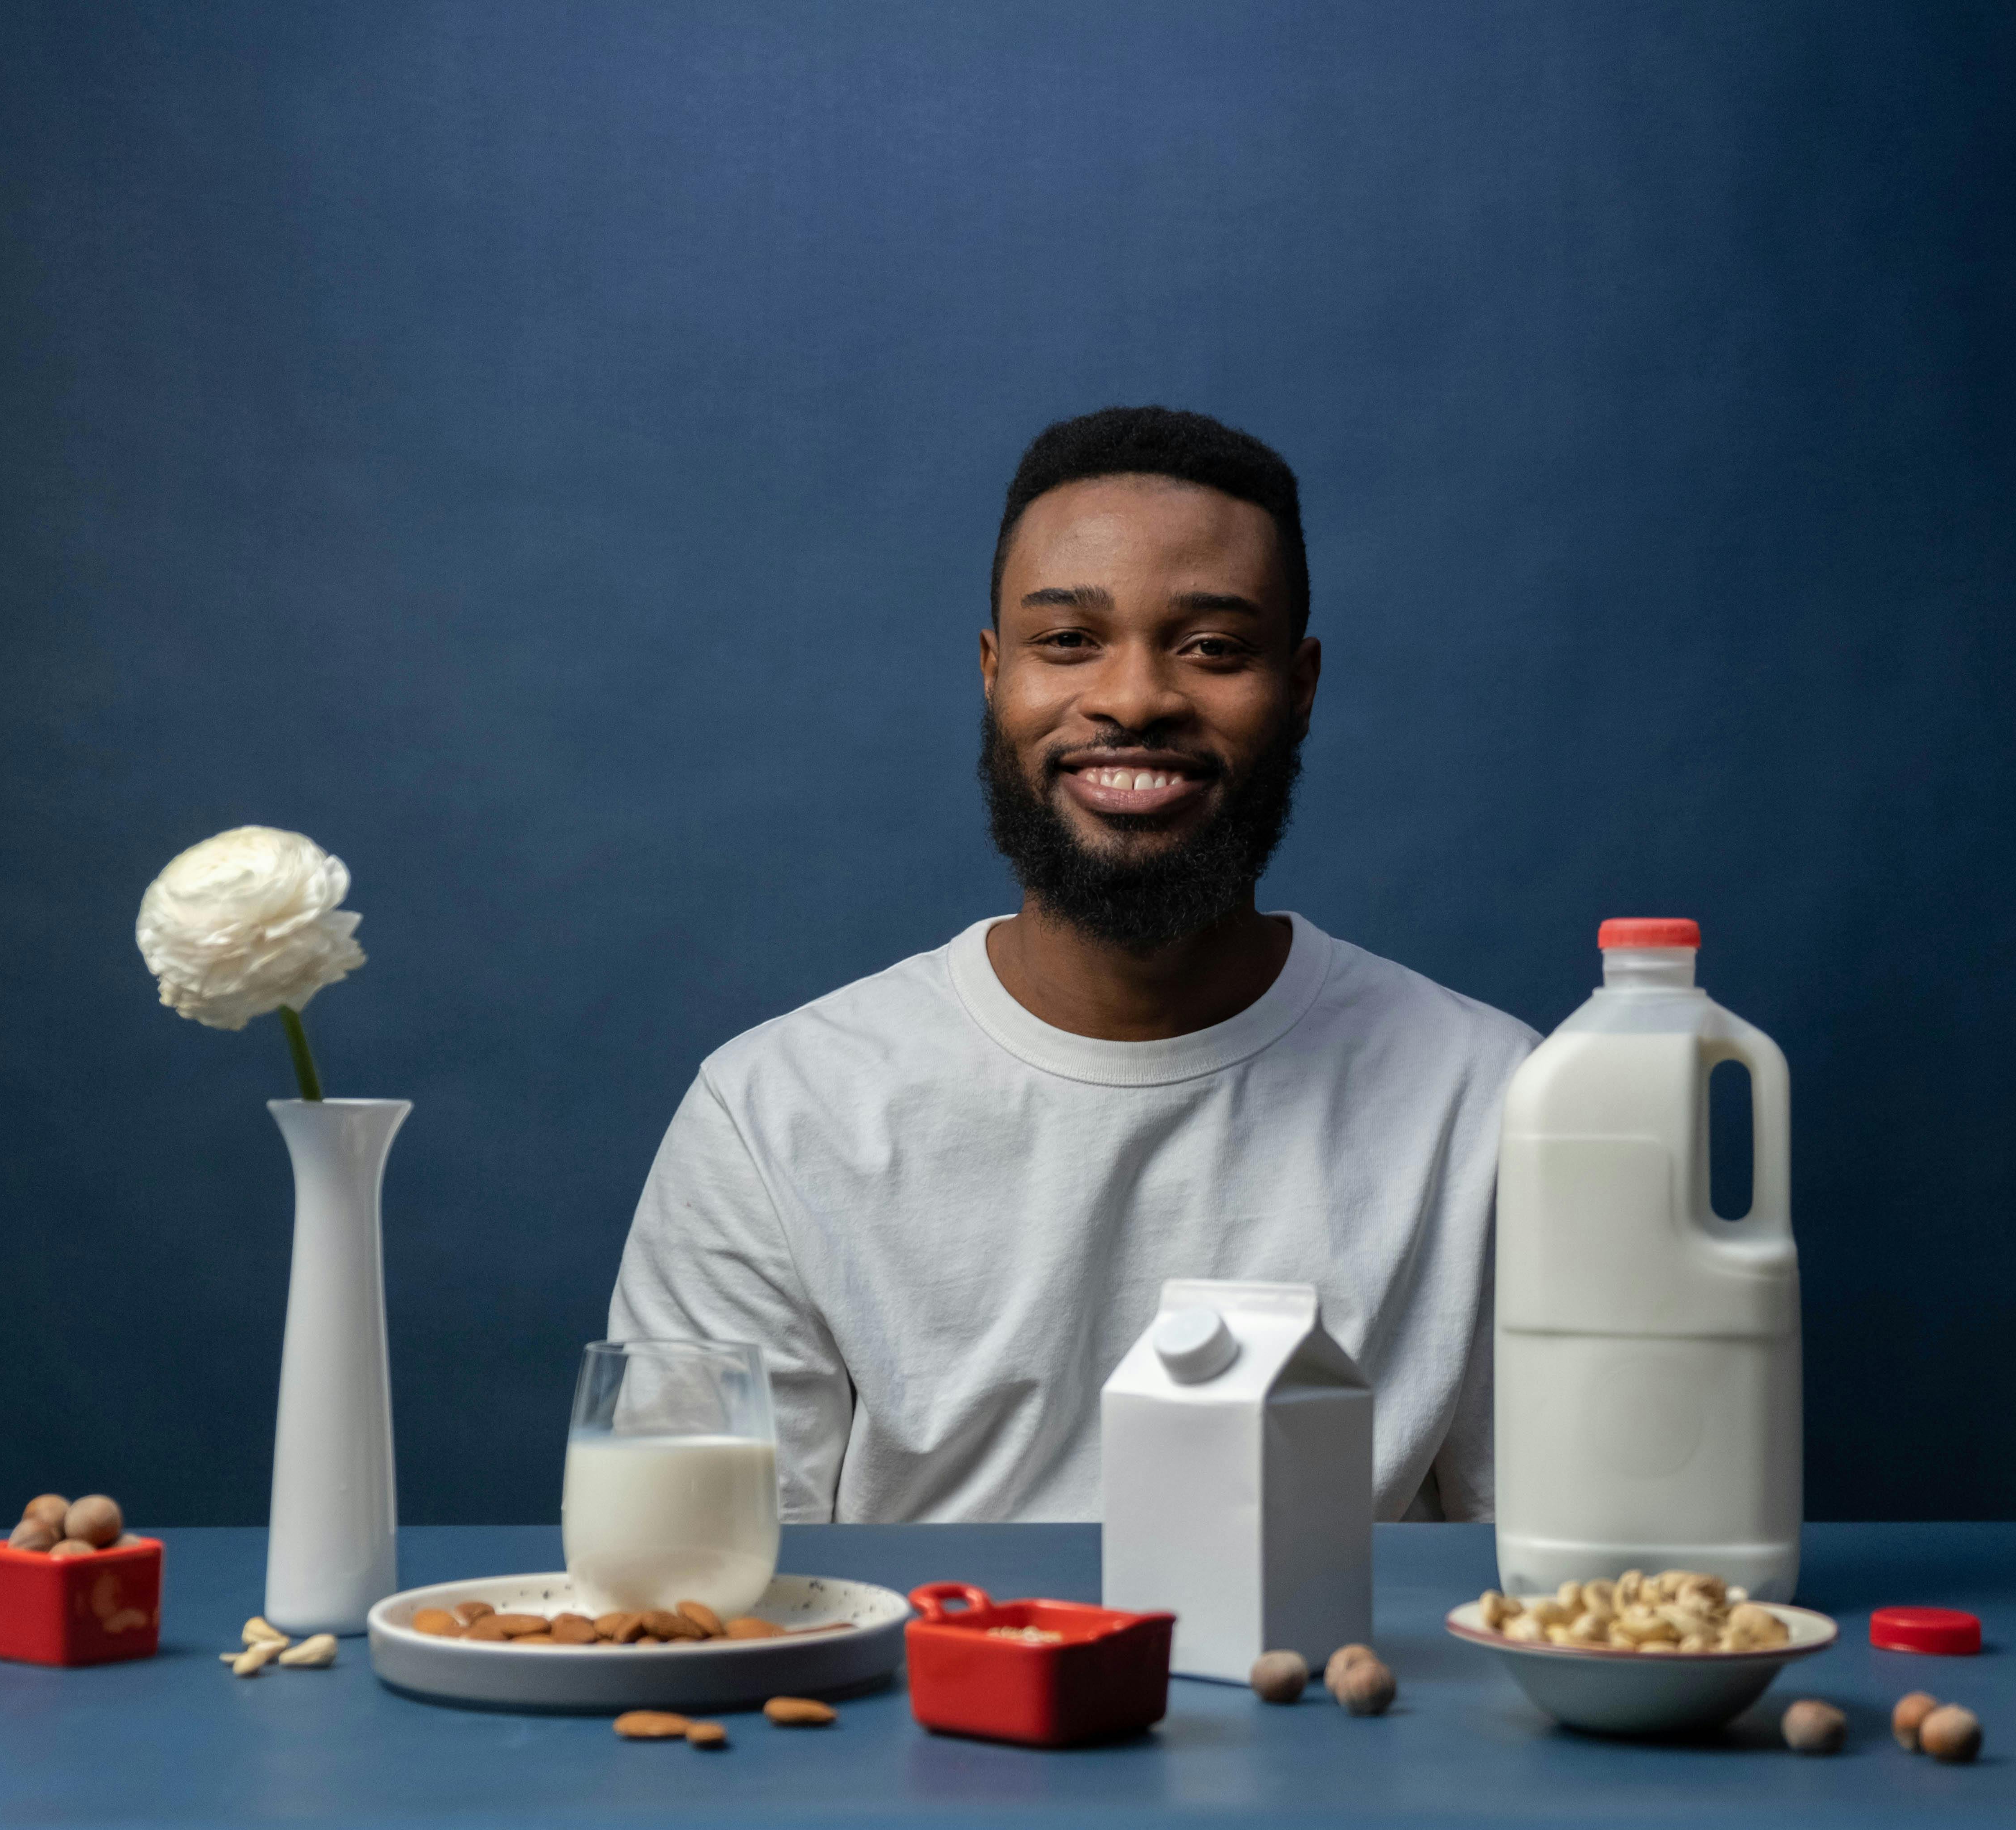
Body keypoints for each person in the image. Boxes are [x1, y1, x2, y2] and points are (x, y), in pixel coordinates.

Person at [610, 405, 1535, 1522]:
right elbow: (696, 1587)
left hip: (1326, 1694)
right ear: (994, 673)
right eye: (1066, 641)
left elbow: (1567, 1580)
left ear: (1297, 686)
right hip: (913, 1699)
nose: (1134, 698)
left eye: (1211, 648)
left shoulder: (1491, 1102)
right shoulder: (776, 1113)